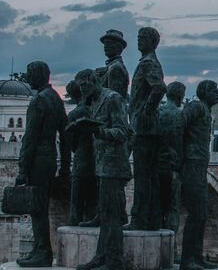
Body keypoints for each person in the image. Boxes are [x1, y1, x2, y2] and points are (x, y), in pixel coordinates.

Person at [15, 61, 70, 267]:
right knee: (41, 206)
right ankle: (39, 249)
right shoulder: (56, 98)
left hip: (37, 160)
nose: (28, 79)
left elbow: (30, 137)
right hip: (49, 159)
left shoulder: (38, 101)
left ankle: (43, 251)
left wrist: (22, 168)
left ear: (39, 75)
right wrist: (65, 166)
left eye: (30, 74)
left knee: (37, 207)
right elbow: (65, 135)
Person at [74, 69, 131, 270]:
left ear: (93, 81)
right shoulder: (95, 101)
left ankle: (114, 261)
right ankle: (101, 256)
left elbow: (123, 131)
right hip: (103, 164)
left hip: (114, 165)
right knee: (106, 213)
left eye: (84, 85)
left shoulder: (112, 98)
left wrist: (99, 131)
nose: (82, 90)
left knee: (113, 214)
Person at [125, 27, 166, 231]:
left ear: (152, 42)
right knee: (149, 176)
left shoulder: (148, 62)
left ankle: (140, 219)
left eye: (142, 38)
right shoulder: (149, 61)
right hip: (147, 128)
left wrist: (145, 112)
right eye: (138, 37)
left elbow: (159, 88)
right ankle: (152, 219)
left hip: (144, 129)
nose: (139, 41)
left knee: (143, 176)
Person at [180, 80, 218, 270]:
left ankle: (197, 257)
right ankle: (187, 260)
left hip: (199, 166)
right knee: (196, 213)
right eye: (214, 90)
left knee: (201, 214)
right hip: (191, 164)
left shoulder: (206, 111)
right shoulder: (196, 107)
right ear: (204, 92)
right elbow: (178, 126)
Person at [157, 82, 186, 261]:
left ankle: (156, 246)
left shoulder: (157, 113)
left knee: (157, 209)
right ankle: (171, 251)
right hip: (173, 168)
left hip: (156, 167)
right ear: (181, 96)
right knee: (172, 209)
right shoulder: (181, 115)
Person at [65, 80, 97, 226]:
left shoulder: (74, 114)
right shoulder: (94, 110)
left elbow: (70, 143)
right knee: (92, 201)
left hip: (81, 160)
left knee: (76, 202)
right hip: (96, 161)